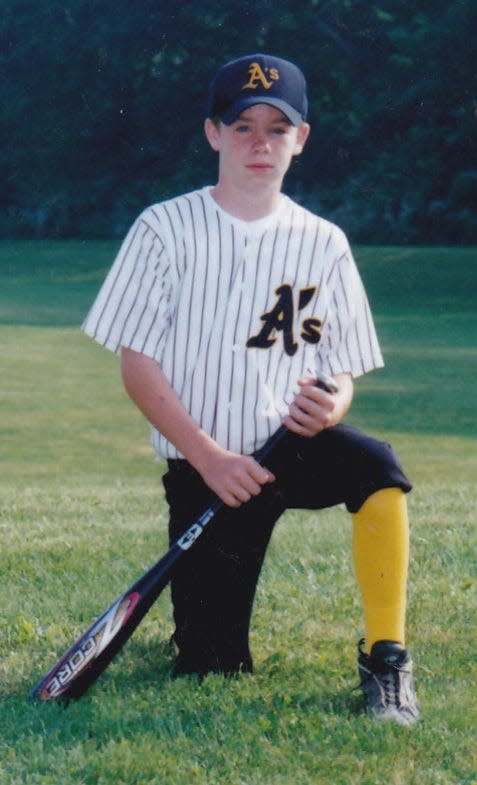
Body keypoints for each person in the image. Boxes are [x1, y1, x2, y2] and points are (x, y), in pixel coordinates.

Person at [82, 53, 419, 726]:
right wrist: (207, 457)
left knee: (377, 467)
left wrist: (335, 401)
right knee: (210, 663)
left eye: (277, 127)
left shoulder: (322, 242)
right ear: (213, 133)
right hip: (206, 468)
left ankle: (386, 657)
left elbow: (341, 364)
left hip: (288, 445)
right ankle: (198, 628)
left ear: (301, 139)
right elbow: (137, 363)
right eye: (242, 126)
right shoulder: (164, 229)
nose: (259, 143)